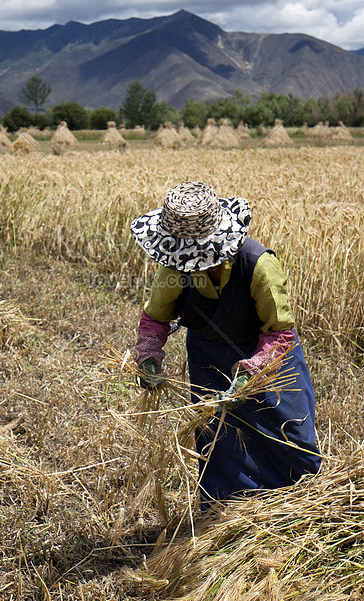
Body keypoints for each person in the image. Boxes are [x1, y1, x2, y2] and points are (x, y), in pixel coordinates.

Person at [130, 181, 321, 506]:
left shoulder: (257, 265)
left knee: (289, 439)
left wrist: (253, 371)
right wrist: (148, 356)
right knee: (221, 442)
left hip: (271, 359)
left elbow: (280, 333)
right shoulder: (176, 269)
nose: (191, 263)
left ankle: (299, 508)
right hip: (210, 358)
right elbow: (155, 319)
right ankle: (227, 517)